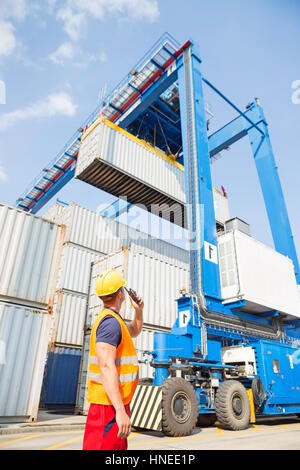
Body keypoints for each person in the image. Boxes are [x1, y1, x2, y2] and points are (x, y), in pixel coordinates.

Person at [82, 269, 144, 450]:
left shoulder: (114, 320)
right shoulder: (110, 324)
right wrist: (119, 410)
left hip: (112, 403)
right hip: (108, 407)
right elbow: (106, 366)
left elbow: (134, 330)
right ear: (120, 294)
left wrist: (138, 310)